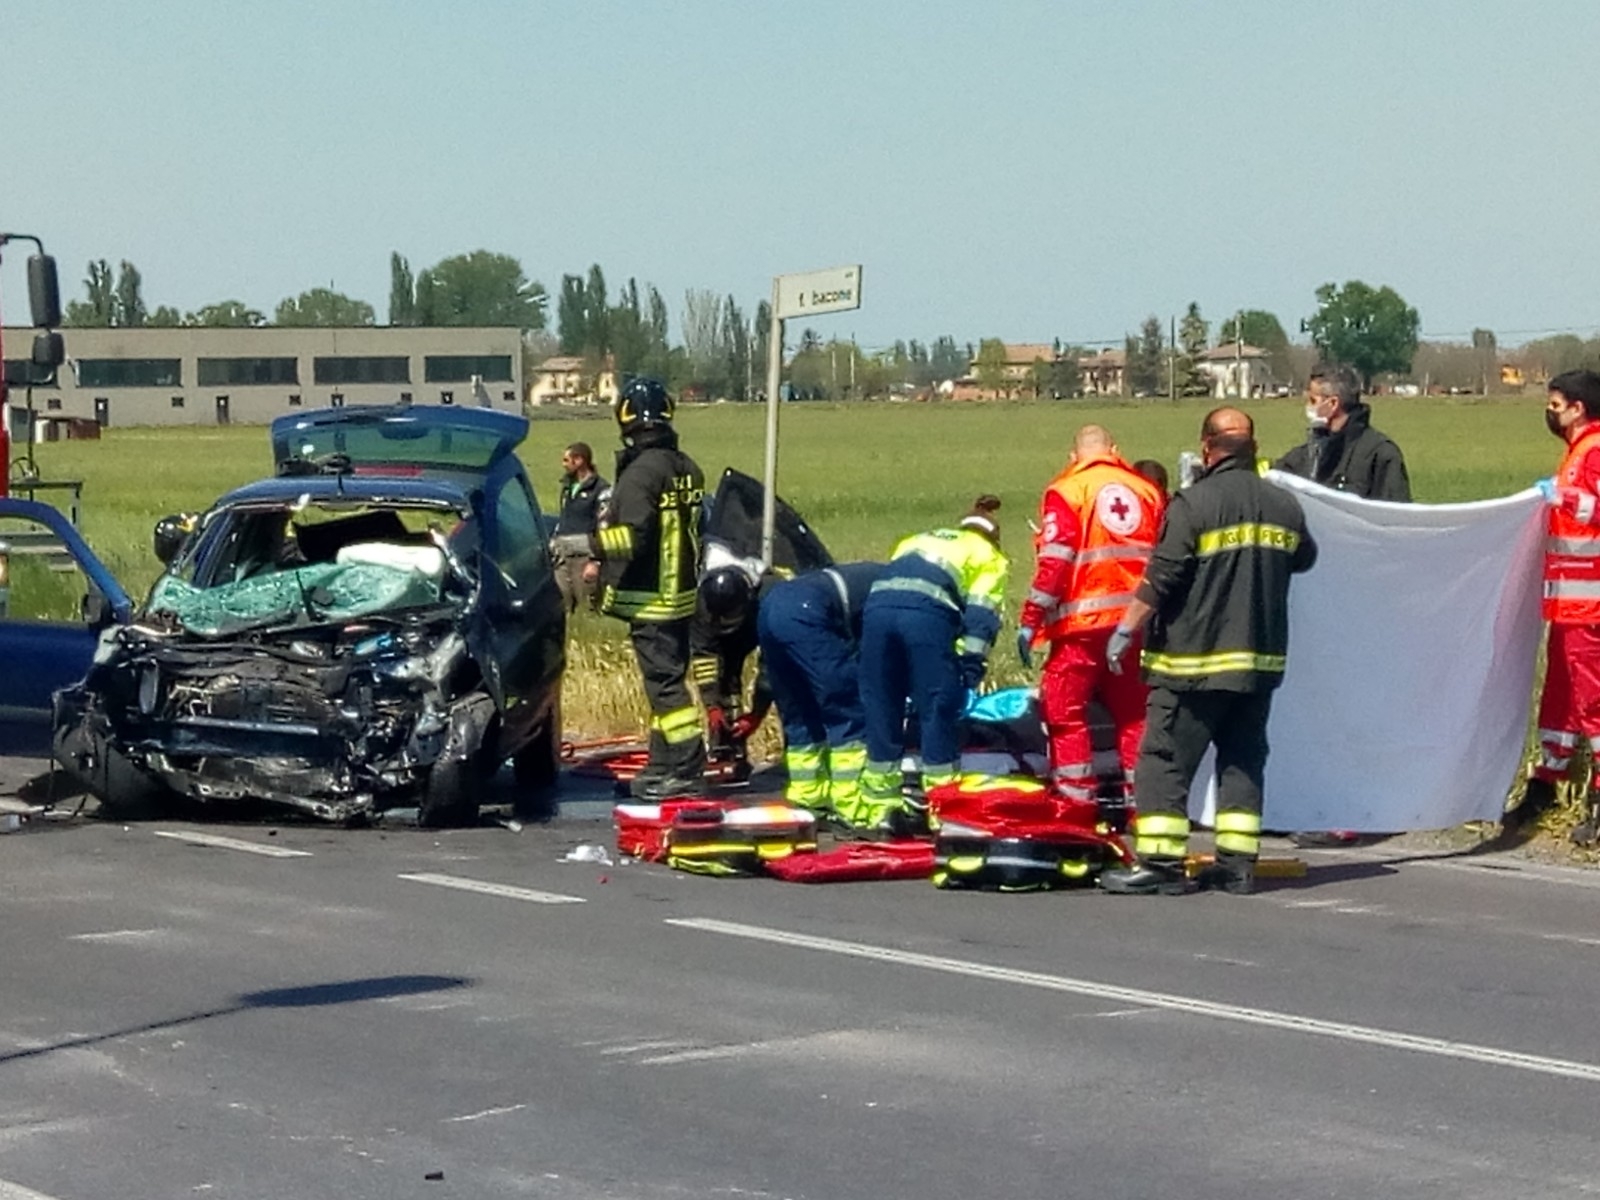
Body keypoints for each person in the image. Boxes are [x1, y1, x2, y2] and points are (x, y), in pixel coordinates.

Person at [1099, 408, 1317, 896]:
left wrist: (1125, 630)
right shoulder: (1284, 506)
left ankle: (1160, 864)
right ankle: (1237, 864)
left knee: (1163, 760)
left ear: (1207, 449)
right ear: (1253, 447)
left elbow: (1162, 577)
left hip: (1192, 665)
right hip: (1258, 664)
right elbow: (1306, 558)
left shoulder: (1193, 505)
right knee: (1241, 762)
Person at [1017, 425, 1165, 810]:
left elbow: (1055, 562)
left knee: (1065, 713)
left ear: (1073, 456)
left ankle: (1076, 806)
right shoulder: (1146, 490)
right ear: (1114, 450)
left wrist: (1031, 618)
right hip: (1135, 622)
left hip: (1082, 626)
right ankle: (1143, 806)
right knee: (1135, 715)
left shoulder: (1067, 491)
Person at [857, 497, 1009, 834]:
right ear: (993, 537)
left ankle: (879, 812)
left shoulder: (916, 539)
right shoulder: (988, 556)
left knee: (883, 706)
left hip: (877, 613)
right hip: (925, 618)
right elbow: (981, 618)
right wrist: (970, 669)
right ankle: (943, 810)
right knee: (936, 709)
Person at [592, 378, 707, 800]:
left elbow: (634, 536)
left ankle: (688, 766)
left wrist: (589, 545)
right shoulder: (685, 466)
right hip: (681, 597)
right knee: (667, 681)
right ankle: (663, 762)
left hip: (651, 600)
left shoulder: (641, 473)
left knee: (666, 688)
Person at [1507, 369, 1600, 838]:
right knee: (1560, 701)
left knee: (1592, 704)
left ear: (1578, 407)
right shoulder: (1577, 451)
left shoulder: (1595, 450)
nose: (1550, 411)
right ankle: (1548, 780)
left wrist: (1562, 496)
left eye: (1555, 403)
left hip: (1591, 608)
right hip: (1569, 606)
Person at [757, 561, 888, 822]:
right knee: (847, 708)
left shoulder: (874, 575)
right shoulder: (894, 592)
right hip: (806, 615)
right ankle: (851, 804)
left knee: (799, 710)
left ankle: (808, 795)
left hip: (771, 609)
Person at [688, 548, 777, 783]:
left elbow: (772, 666)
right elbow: (704, 656)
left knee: (790, 686)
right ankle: (726, 746)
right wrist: (712, 706)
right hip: (730, 637)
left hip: (761, 628)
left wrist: (757, 714)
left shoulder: (769, 599)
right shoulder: (703, 604)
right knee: (725, 679)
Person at [1274, 363, 1411, 501]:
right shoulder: (1304, 455)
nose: (1308, 406)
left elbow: (1396, 513)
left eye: (1313, 400)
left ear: (1333, 403)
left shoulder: (1380, 455)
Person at [550, 442, 610, 613]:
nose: (563, 464)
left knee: (586, 606)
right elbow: (563, 517)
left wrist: (596, 561)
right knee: (561, 604)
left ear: (579, 460)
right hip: (561, 553)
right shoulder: (567, 487)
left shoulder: (601, 489)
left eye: (566, 460)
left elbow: (603, 526)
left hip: (584, 554)